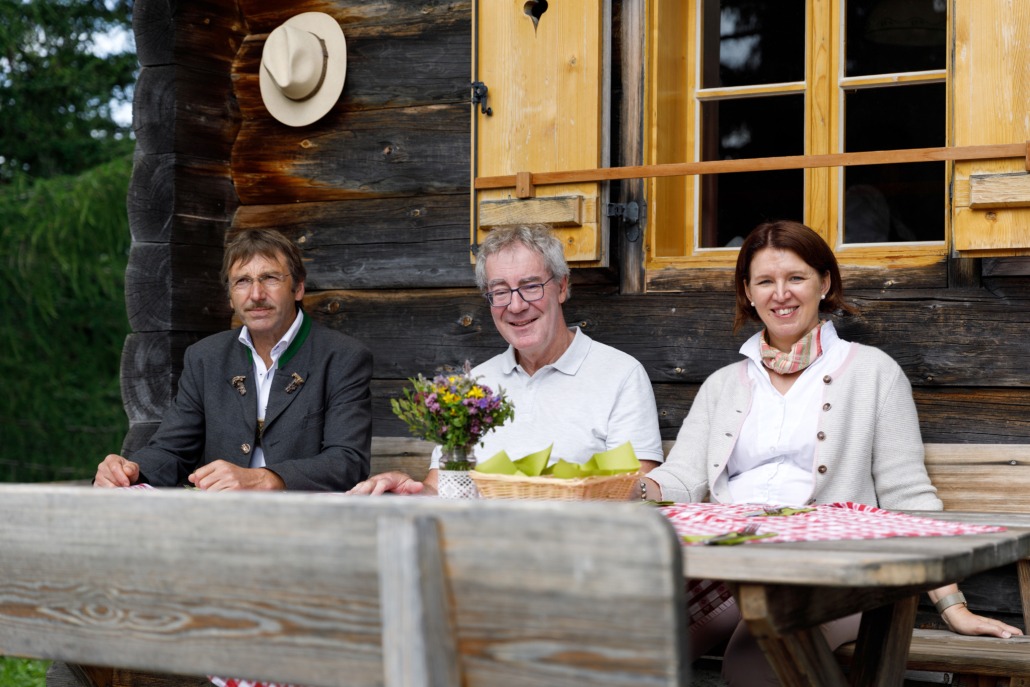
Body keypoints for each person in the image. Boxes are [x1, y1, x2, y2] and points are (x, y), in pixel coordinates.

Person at [641, 220, 1021, 685]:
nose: (781, 293)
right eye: (765, 281)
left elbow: (908, 495)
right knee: (632, 648)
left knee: (755, 661)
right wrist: (621, 488)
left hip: (833, 571)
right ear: (748, 291)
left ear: (824, 283)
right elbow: (681, 477)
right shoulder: (725, 384)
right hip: (727, 566)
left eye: (795, 278)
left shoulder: (873, 373)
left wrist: (951, 604)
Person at [348, 224, 664, 495]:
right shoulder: (473, 387)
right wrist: (408, 490)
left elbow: (636, 487)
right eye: (500, 291)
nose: (515, 306)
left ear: (562, 287)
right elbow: (443, 491)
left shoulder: (620, 374)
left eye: (530, 287)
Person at [94, 228, 373, 492]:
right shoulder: (205, 358)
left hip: (307, 520)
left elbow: (347, 461)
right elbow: (172, 450)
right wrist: (130, 470)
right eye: (242, 281)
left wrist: (265, 479)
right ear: (230, 296)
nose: (256, 295)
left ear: (298, 288)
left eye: (270, 278)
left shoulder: (342, 357)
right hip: (222, 517)